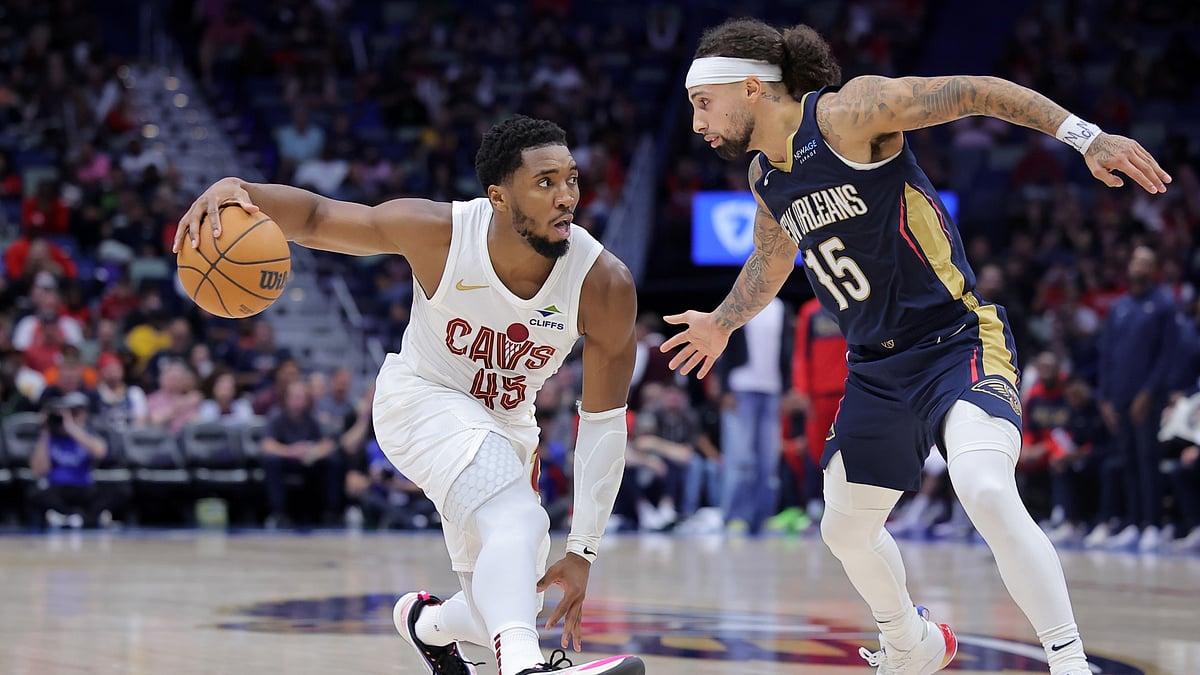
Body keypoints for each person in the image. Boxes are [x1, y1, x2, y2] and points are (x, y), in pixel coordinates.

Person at [661, 18, 1171, 675]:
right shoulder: (766, 177)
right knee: (844, 528)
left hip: (955, 339)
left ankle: (1069, 661)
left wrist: (1086, 137)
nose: (698, 123)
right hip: (877, 369)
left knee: (984, 488)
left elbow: (976, 91)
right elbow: (771, 259)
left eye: (704, 102)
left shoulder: (848, 114)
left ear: (752, 88)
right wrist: (722, 322)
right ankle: (912, 641)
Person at [175, 116, 644, 675]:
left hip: (507, 426)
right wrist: (242, 191)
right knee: (519, 521)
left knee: (504, 603)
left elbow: (603, 423)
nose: (567, 196)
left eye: (571, 179)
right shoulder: (439, 233)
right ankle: (525, 669)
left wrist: (583, 549)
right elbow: (320, 217)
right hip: (422, 399)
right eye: (546, 182)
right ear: (498, 197)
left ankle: (427, 624)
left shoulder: (604, 284)